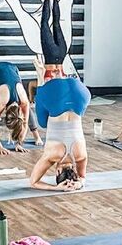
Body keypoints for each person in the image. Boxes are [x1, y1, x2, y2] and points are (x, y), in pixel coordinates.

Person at [29, 55, 91, 192]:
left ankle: (59, 77)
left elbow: (82, 177)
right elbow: (33, 182)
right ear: (57, 172)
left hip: (80, 93)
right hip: (54, 97)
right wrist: (56, 188)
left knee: (69, 116)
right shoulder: (52, 156)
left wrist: (79, 183)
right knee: (42, 124)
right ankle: (41, 76)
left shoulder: (81, 156)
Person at [39, 0, 67, 80]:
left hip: (62, 53)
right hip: (51, 55)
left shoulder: (63, 83)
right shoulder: (51, 85)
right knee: (44, 23)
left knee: (56, 23)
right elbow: (34, 85)